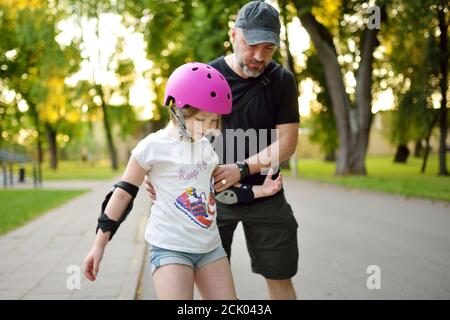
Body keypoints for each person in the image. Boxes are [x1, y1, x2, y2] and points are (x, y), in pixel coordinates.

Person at [83, 62, 283, 300]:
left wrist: (262, 190)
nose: (209, 128)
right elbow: (122, 194)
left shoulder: (206, 148)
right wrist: (99, 245)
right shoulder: (151, 148)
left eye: (214, 121)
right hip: (170, 248)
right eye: (202, 119)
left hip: (210, 247)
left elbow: (216, 189)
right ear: (177, 110)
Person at [146, 1, 300, 300]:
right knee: (213, 290)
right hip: (209, 200)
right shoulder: (206, 75)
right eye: (251, 45)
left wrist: (240, 169)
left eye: (268, 48)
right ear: (233, 35)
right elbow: (178, 132)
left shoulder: (282, 80)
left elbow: (288, 142)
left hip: (266, 195)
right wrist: (158, 173)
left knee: (280, 278)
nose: (258, 56)